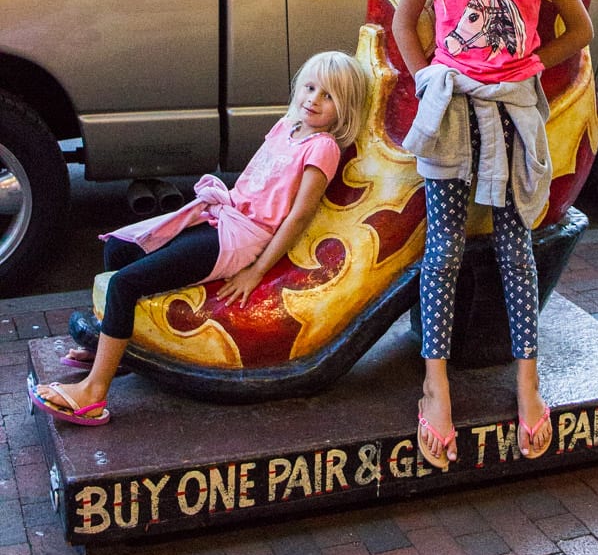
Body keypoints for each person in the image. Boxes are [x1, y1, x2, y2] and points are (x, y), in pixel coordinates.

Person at [392, 0, 593, 470]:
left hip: (512, 115)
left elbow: (579, 28)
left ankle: (527, 382)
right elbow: (405, 19)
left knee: (515, 242)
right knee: (445, 247)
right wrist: (428, 74)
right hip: (452, 110)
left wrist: (529, 66)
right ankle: (435, 382)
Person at [28, 51, 367, 426]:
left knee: (124, 285)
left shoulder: (323, 147)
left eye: (329, 96)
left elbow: (299, 216)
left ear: (345, 108)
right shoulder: (288, 125)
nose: (314, 99)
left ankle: (93, 394)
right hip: (222, 217)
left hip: (240, 239)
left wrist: (256, 271)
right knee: (121, 249)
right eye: (310, 87)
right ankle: (120, 348)